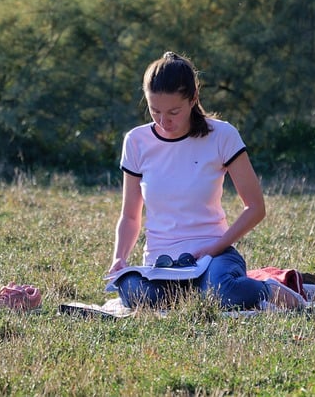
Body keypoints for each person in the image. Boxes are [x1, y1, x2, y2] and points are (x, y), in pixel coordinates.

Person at [107, 51, 301, 310]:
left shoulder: (222, 135)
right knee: (133, 292)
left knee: (223, 293)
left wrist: (213, 248)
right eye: (155, 111)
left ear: (193, 99)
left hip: (216, 256)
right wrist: (119, 258)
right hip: (161, 266)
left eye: (173, 112)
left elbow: (255, 207)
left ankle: (268, 290)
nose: (164, 122)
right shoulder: (135, 141)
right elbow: (130, 216)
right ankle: (196, 295)